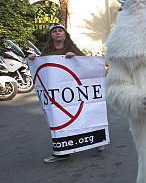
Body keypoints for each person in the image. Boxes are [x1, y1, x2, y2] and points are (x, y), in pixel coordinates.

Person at [27, 23, 98, 163]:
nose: (58, 33)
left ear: (65, 34)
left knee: (83, 116)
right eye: (54, 31)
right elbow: (42, 68)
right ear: (51, 35)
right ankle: (62, 152)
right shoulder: (47, 51)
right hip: (57, 96)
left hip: (75, 91)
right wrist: (34, 59)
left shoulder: (72, 49)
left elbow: (85, 64)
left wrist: (75, 57)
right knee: (59, 121)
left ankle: (96, 141)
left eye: (60, 31)